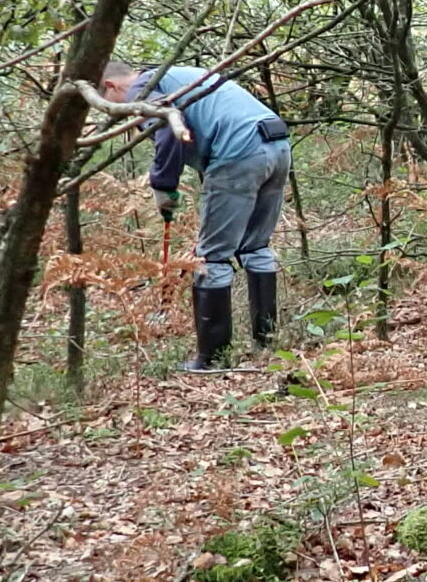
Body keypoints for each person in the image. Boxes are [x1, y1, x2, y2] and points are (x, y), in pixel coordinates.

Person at [105, 61, 294, 373]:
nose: (120, 113)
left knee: (212, 258)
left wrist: (163, 186)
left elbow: (170, 134)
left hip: (239, 152)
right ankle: (267, 343)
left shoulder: (143, 90)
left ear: (110, 86)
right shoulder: (177, 75)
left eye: (109, 104)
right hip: (277, 145)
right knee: (255, 246)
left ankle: (212, 358)